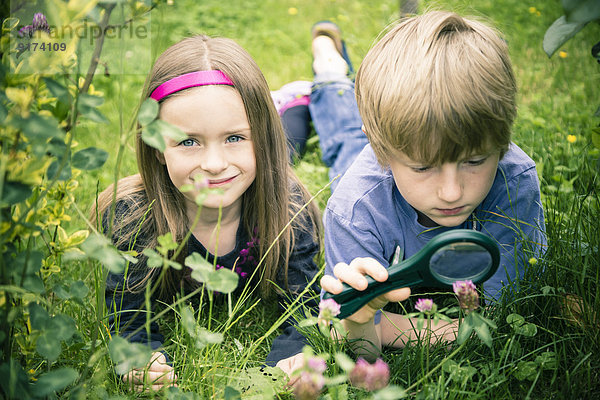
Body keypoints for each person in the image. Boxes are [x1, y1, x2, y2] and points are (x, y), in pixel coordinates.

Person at [93, 35, 322, 391]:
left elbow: (304, 309)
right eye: (188, 141)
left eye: (235, 137)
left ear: (262, 136)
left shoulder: (289, 211)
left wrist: (290, 359)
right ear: (156, 147)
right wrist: (141, 357)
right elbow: (129, 316)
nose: (214, 165)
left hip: (263, 171)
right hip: (245, 170)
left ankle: (298, 101)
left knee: (290, 145)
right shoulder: (134, 219)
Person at [315, 11, 547, 359]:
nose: (452, 192)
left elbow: (510, 310)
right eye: (423, 167)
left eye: (474, 161)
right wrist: (366, 321)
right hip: (366, 161)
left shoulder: (514, 182)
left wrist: (392, 327)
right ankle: (328, 66)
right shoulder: (356, 208)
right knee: (343, 140)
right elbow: (343, 327)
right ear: (381, 151)